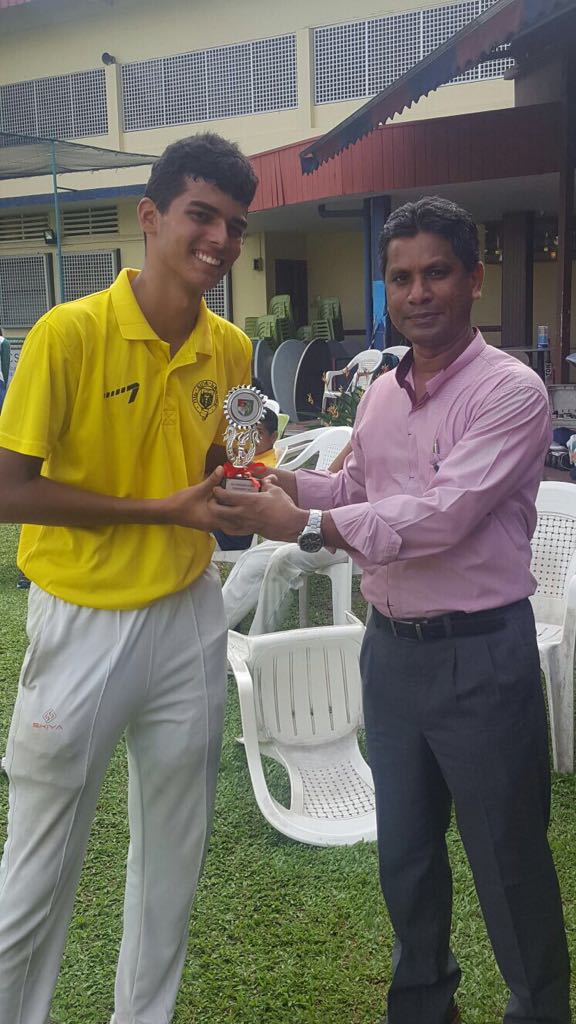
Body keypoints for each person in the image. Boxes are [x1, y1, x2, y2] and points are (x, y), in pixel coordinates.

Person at [213, 196, 571, 1024]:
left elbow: (443, 515)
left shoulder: (512, 393)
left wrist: (304, 525)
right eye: (401, 277)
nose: (418, 293)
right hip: (392, 655)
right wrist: (280, 481)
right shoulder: (379, 392)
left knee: (509, 862)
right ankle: (422, 1006)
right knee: (406, 856)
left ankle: (539, 1009)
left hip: (482, 657)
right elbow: (358, 488)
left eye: (436, 272)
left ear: (473, 279)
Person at [0, 132, 258, 1024]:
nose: (220, 241)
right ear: (150, 217)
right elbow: (9, 490)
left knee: (172, 863)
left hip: (190, 616)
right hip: (82, 618)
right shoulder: (67, 333)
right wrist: (164, 511)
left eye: (235, 225)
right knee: (37, 871)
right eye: (201, 216)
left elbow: (223, 463)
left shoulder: (232, 348)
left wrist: (243, 489)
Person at [222, 439, 352, 633]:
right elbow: (330, 480)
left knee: (282, 559)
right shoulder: (367, 427)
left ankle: (258, 645)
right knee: (252, 558)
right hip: (326, 520)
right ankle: (210, 639)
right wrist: (256, 475)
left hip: (360, 534)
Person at [213, 403, 278, 551]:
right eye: (247, 433)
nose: (250, 440)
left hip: (233, 533)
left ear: (273, 437)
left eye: (258, 433)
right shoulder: (246, 458)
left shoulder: (264, 467)